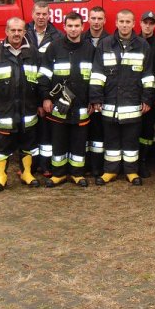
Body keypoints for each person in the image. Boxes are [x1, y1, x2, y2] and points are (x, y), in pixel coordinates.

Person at [89, 9, 155, 186]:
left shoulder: (143, 45)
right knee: (111, 140)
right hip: (110, 103)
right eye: (121, 22)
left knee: (131, 140)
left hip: (132, 103)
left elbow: (148, 75)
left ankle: (131, 171)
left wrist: (147, 98)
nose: (124, 25)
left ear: (133, 24)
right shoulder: (105, 44)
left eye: (128, 22)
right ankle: (110, 171)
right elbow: (97, 73)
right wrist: (96, 98)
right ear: (116, 23)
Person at [0, 17, 41, 192]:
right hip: (5, 110)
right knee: (2, 145)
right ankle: (1, 176)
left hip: (28, 110)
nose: (16, 33)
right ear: (6, 31)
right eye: (13, 30)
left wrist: (41, 102)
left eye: (20, 30)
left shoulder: (33, 53)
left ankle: (27, 173)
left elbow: (41, 80)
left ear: (25, 32)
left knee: (28, 143)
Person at [39, 12, 94, 187]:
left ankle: (77, 174)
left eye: (77, 26)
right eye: (70, 26)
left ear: (82, 27)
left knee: (79, 141)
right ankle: (59, 174)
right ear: (64, 27)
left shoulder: (89, 49)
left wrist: (93, 100)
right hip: (57, 105)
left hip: (81, 105)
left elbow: (96, 78)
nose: (73, 29)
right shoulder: (54, 47)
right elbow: (44, 74)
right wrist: (46, 97)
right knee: (58, 141)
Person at [25, 1, 63, 176]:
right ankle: (30, 167)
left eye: (44, 14)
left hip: (47, 89)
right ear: (32, 14)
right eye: (38, 14)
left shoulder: (57, 36)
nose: (41, 17)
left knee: (47, 130)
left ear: (49, 16)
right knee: (29, 130)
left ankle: (46, 165)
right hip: (27, 89)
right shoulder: (23, 33)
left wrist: (46, 97)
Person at [83, 6, 110, 176]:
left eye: (100, 18)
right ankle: (85, 164)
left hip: (103, 93)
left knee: (99, 132)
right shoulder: (81, 39)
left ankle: (97, 167)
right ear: (88, 19)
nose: (96, 22)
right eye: (93, 18)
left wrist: (98, 97)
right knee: (83, 131)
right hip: (83, 93)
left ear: (105, 21)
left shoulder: (111, 41)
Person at [138, 11, 155, 178]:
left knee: (147, 129)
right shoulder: (133, 42)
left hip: (152, 95)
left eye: (151, 23)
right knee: (133, 129)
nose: (148, 26)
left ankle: (143, 161)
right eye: (145, 22)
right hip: (133, 93)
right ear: (140, 23)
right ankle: (133, 161)